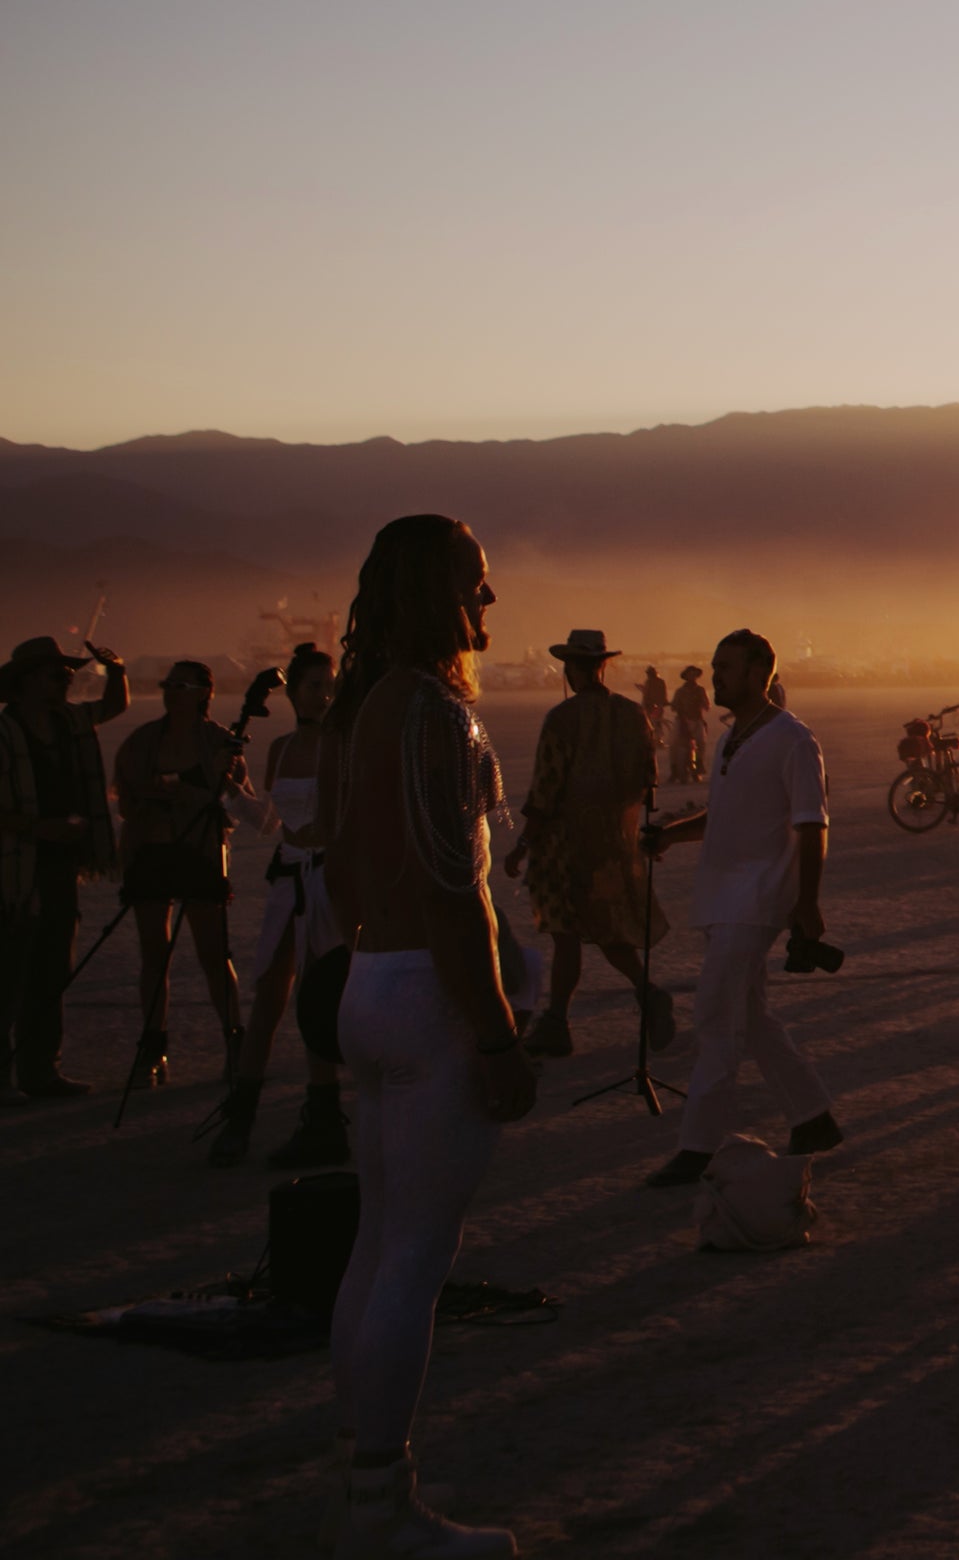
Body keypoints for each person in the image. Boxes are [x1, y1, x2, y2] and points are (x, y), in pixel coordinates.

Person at [310, 514, 538, 1557]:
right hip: (427, 994)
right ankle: (382, 1507)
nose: (488, 603)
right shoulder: (434, 714)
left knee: (376, 1241)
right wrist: (496, 1034)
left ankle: (362, 1477)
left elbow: (345, 868)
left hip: (369, 979)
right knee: (415, 1253)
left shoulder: (361, 708)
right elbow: (462, 895)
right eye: (474, 585)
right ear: (435, 592)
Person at [637, 630, 841, 1189]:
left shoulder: (794, 740)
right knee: (749, 1017)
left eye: (726, 667)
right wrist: (671, 834)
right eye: (714, 665)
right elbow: (723, 813)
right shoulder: (732, 739)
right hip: (720, 895)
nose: (716, 676)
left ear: (760, 674)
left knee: (714, 1016)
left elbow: (811, 825)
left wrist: (807, 903)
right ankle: (813, 1117)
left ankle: (698, 1146)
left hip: (758, 897)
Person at [211, 644, 347, 1167]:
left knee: (317, 992)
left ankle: (323, 1114)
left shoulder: (341, 745)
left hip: (325, 878)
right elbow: (270, 820)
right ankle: (240, 1115)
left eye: (329, 685)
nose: (324, 694)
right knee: (270, 990)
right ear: (293, 691)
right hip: (288, 877)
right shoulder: (283, 749)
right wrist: (231, 791)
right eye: (314, 685)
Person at [504, 632, 667, 1064]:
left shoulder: (562, 719)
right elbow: (647, 783)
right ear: (604, 666)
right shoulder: (633, 716)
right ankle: (646, 993)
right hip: (612, 845)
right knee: (608, 928)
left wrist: (523, 844)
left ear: (573, 668)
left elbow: (545, 791)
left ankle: (557, 1023)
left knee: (567, 935)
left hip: (564, 846)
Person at [111, 657, 251, 1092]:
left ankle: (235, 1043)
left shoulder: (221, 743)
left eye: (183, 686)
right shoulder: (143, 741)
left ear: (204, 694)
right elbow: (126, 797)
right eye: (169, 685)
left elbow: (234, 802)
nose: (173, 692)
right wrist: (151, 800)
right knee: (154, 953)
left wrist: (187, 793)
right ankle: (153, 1047)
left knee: (213, 954)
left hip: (200, 855)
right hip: (150, 853)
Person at [0, 634, 123, 1103]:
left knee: (52, 971)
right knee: (9, 974)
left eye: (69, 674)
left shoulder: (69, 722)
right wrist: (39, 827)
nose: (67, 681)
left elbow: (112, 705)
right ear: (27, 682)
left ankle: (40, 1072)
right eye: (57, 675)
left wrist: (118, 670)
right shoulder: (5, 733)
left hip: (58, 868)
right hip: (14, 872)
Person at [665, 664, 707, 787]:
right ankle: (674, 770)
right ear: (686, 676)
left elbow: (706, 704)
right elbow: (674, 705)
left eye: (694, 674)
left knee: (701, 743)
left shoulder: (701, 690)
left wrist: (702, 704)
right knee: (672, 744)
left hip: (697, 720)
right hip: (682, 720)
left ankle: (699, 765)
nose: (692, 676)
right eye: (690, 674)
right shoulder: (680, 691)